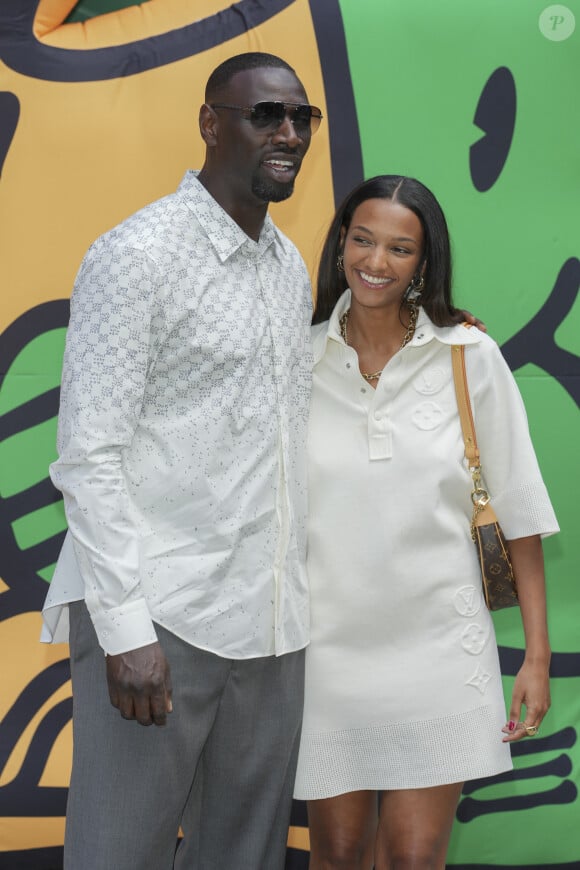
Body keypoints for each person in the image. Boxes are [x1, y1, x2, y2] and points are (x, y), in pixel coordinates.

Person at [41, 52, 324, 870]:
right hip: (159, 616)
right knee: (116, 854)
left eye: (301, 117)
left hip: (271, 624)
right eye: (265, 114)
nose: (289, 132)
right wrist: (127, 628)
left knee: (244, 855)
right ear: (210, 123)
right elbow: (88, 455)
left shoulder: (285, 264)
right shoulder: (138, 255)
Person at [293, 175, 559, 869]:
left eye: (400, 248)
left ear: (425, 261)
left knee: (415, 855)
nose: (376, 262)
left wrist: (536, 656)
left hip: (439, 652)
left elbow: (520, 515)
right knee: (341, 851)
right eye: (363, 239)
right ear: (341, 243)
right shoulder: (296, 359)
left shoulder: (470, 359)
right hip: (326, 654)